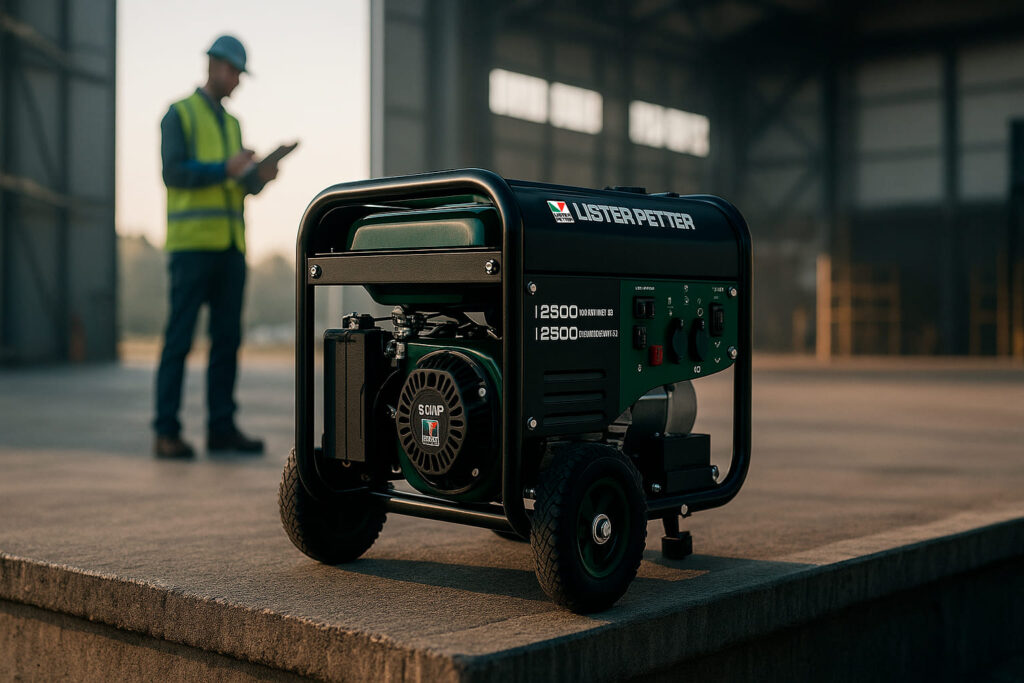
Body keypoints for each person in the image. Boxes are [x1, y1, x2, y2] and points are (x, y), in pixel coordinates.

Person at [152, 35, 280, 458]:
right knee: (179, 341)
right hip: (191, 248)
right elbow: (173, 173)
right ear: (213, 65)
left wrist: (260, 177)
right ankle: (165, 432)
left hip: (230, 248)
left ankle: (221, 427)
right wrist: (223, 168)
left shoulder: (232, 124)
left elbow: (238, 186)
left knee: (226, 341)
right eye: (235, 71)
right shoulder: (178, 115)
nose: (238, 81)